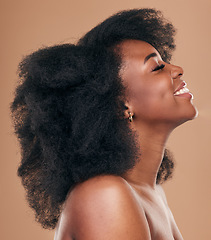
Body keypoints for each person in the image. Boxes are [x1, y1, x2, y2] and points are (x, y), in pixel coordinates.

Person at [11, 8, 198, 240]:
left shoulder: (151, 193)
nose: (177, 70)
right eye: (157, 67)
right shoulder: (104, 195)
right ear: (122, 106)